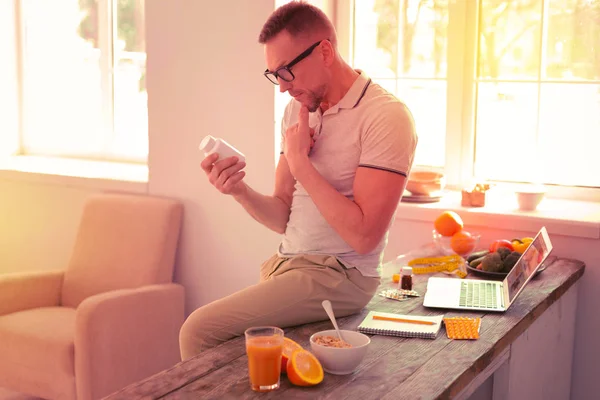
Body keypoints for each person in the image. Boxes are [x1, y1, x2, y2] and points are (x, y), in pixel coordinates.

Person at [179, 1, 418, 360]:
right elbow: (281, 217)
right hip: (287, 266)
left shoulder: (385, 116)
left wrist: (300, 163)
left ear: (324, 51)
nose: (281, 88)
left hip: (342, 275)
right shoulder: (297, 110)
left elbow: (365, 237)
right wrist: (238, 190)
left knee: (198, 330)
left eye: (286, 71)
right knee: (240, 360)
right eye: (274, 74)